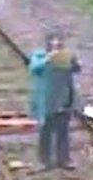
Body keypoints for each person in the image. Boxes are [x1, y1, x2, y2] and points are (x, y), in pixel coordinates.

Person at [29, 33, 81, 172]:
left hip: (63, 98)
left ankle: (63, 159)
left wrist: (73, 61)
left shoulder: (66, 56)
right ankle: (44, 160)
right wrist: (48, 58)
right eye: (54, 41)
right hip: (46, 99)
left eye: (59, 41)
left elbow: (76, 69)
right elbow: (34, 68)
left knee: (62, 130)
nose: (56, 44)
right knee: (45, 130)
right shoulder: (40, 55)